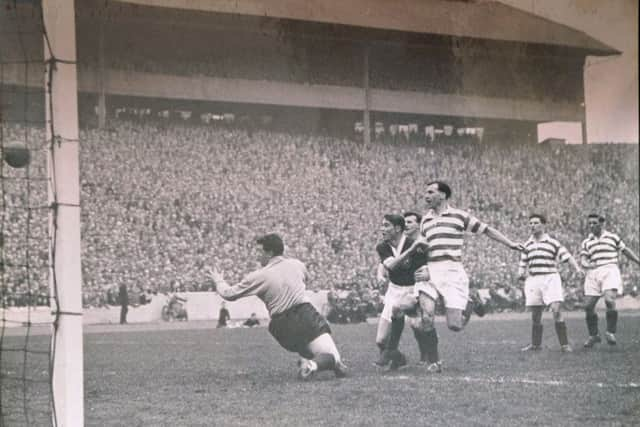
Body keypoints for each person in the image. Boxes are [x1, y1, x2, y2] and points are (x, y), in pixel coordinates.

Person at [408, 181, 523, 372]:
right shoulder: (425, 221)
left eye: (430, 192)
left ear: (443, 195)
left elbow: (486, 230)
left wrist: (510, 243)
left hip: (452, 271)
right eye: (425, 193)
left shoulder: (459, 216)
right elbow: (422, 246)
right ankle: (435, 362)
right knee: (427, 317)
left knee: (455, 325)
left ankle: (470, 303)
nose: (426, 196)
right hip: (430, 271)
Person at [206, 233, 347, 380]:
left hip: (280, 327)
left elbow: (229, 294)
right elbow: (306, 280)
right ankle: (313, 365)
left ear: (270, 252)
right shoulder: (297, 264)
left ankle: (312, 361)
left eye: (259, 252)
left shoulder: (259, 276)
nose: (257, 256)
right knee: (333, 358)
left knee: (324, 357)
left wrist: (218, 281)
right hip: (304, 315)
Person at [518, 214, 584, 352]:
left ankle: (564, 344)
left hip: (550, 278)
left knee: (556, 310)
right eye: (530, 223)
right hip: (533, 279)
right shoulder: (527, 244)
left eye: (535, 222)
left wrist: (577, 268)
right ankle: (536, 345)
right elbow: (523, 262)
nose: (532, 225)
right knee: (536, 314)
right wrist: (520, 273)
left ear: (543, 224)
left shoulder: (552, 242)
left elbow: (567, 256)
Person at [373, 214, 430, 370]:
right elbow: (391, 266)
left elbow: (426, 266)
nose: (382, 229)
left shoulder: (413, 244)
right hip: (394, 290)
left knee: (418, 325)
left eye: (386, 226)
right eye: (382, 225)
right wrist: (411, 250)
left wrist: (427, 272)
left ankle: (428, 355)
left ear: (397, 228)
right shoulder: (383, 246)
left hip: (413, 289)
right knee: (380, 340)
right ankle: (398, 358)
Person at [580, 214, 640, 347]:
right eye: (589, 223)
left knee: (609, 300)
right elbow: (583, 259)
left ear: (601, 224)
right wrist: (586, 264)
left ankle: (610, 332)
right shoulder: (586, 242)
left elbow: (625, 250)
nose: (591, 226)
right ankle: (594, 335)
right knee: (588, 306)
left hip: (610, 269)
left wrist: (638, 261)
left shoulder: (612, 237)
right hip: (593, 272)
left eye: (594, 223)